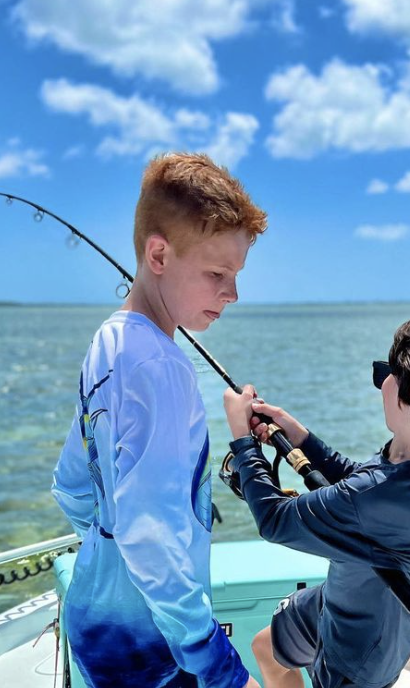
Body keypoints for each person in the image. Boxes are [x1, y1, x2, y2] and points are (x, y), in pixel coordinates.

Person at [52, 152, 267, 688]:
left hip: (95, 620)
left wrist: (110, 552)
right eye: (217, 273)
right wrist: (206, 652)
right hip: (154, 644)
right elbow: (149, 532)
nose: (232, 294)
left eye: (236, 276)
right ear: (158, 254)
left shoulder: (110, 341)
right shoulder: (163, 368)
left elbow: (72, 487)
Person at [222, 305, 410, 688]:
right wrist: (299, 437)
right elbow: (356, 480)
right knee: (267, 647)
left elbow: (275, 520)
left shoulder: (380, 496)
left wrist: (243, 442)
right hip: (340, 600)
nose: (381, 381)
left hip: (358, 653)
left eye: (388, 374)